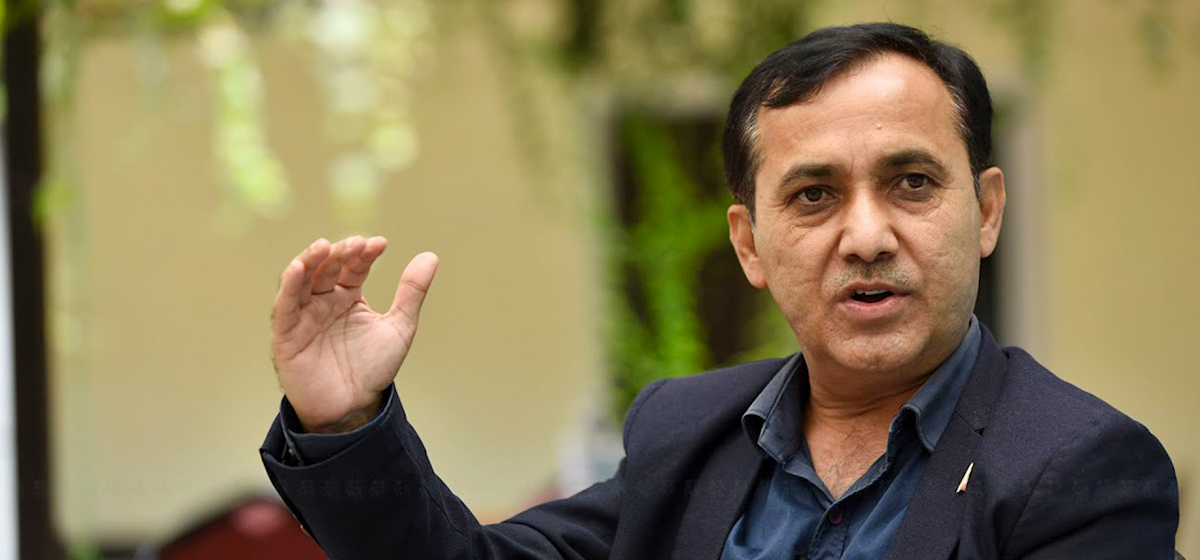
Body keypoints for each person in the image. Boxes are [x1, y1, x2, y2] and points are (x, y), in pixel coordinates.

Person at [260, 23, 1179, 560]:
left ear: (984, 210)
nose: (866, 237)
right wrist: (345, 422)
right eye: (814, 195)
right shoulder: (689, 434)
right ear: (749, 244)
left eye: (911, 183)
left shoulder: (1082, 469)